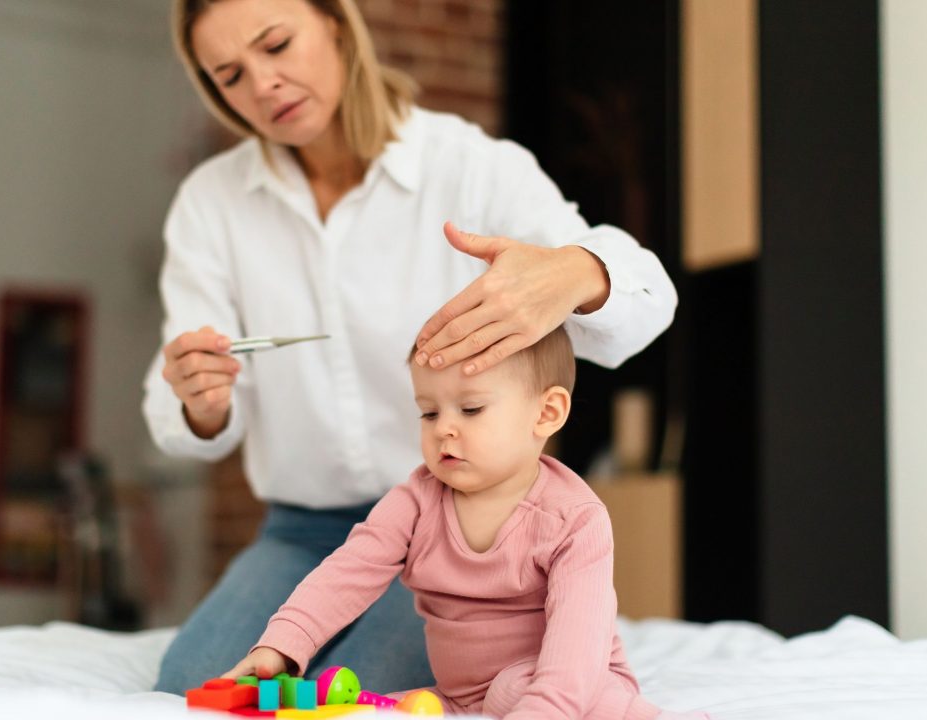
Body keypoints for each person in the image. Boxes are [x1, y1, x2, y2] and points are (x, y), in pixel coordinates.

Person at [144, 0, 678, 696]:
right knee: (198, 683)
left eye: (276, 44)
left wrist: (573, 274)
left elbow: (652, 299)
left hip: (460, 519)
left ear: (336, 23)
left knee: (348, 690)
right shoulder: (210, 204)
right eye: (230, 76)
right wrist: (200, 400)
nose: (262, 83)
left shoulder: (471, 168)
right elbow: (185, 421)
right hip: (301, 533)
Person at [220, 327, 708, 720]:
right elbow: (346, 573)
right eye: (428, 412)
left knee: (524, 689)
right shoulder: (415, 501)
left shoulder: (575, 520)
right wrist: (282, 646)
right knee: (370, 706)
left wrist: (542, 710)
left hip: (568, 687)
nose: (444, 428)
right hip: (461, 696)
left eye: (471, 409)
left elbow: (576, 648)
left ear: (547, 411)